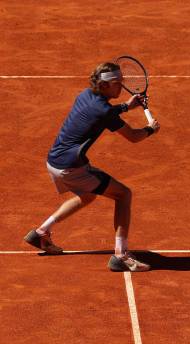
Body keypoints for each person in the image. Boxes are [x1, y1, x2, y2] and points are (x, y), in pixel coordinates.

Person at [23, 62, 160, 271]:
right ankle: (121, 255)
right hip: (71, 167)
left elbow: (103, 112)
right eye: (117, 83)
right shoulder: (104, 111)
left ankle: (41, 233)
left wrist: (125, 106)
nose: (121, 87)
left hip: (54, 161)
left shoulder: (86, 94)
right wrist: (150, 129)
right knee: (123, 194)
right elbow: (133, 136)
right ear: (105, 86)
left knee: (87, 196)